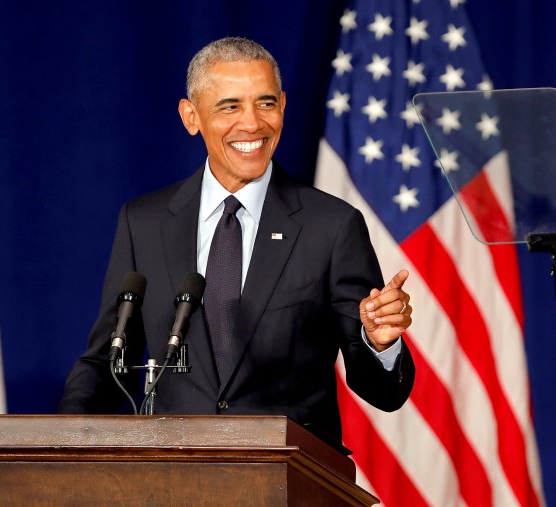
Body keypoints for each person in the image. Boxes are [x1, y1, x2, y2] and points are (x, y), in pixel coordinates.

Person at [59, 37, 415, 443]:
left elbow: (384, 393)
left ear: (283, 105)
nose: (252, 123)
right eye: (230, 106)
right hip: (172, 479)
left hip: (292, 485)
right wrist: (62, 446)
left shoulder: (331, 226)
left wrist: (379, 343)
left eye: (265, 103)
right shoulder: (144, 222)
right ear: (191, 117)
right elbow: (109, 360)